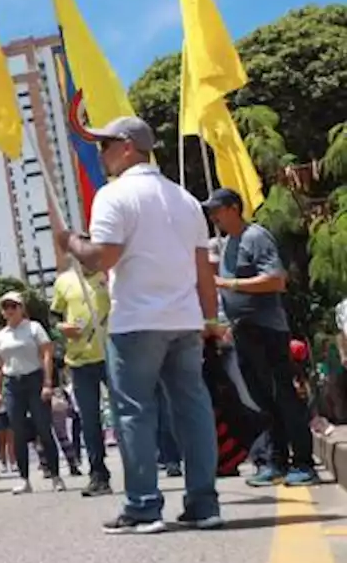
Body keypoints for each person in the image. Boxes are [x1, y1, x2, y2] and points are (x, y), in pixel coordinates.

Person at [58, 116, 221, 534]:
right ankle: (204, 503)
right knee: (193, 410)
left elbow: (102, 258)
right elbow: (204, 269)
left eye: (106, 146)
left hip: (136, 320)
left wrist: (71, 242)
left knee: (134, 412)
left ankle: (144, 506)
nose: (102, 155)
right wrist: (209, 318)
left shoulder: (114, 196)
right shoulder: (186, 199)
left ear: (128, 146)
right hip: (184, 320)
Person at [204, 187, 317, 487]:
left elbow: (276, 280)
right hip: (242, 332)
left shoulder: (255, 237)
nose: (213, 216)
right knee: (262, 400)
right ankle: (276, 462)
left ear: (233, 208)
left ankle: (304, 463)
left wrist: (229, 283)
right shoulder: (228, 243)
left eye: (217, 209)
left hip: (266, 330)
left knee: (284, 396)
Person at [0, 291, 64, 494]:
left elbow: (47, 355)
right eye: (5, 307)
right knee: (18, 431)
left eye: (13, 306)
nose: (9, 311)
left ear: (21, 308)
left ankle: (56, 476)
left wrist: (48, 382)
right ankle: (24, 479)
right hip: (12, 383)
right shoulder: (1, 335)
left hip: (34, 379)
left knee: (43, 428)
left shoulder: (33, 328)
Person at [51, 261, 113, 497]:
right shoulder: (64, 281)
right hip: (79, 360)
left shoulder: (108, 273)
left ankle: (144, 469)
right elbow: (53, 315)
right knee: (89, 419)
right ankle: (98, 474)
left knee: (128, 413)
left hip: (112, 355)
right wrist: (61, 327)